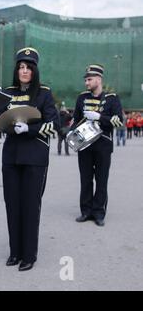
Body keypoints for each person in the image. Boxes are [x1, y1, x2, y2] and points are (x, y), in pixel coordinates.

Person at [0, 47, 59, 271]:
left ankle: (29, 255)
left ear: (34, 70)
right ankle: (15, 252)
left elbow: (54, 125)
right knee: (12, 205)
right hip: (12, 156)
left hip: (34, 156)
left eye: (28, 67)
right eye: (21, 67)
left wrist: (30, 129)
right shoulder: (8, 92)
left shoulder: (43, 93)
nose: (24, 71)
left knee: (30, 206)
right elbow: (3, 121)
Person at [71, 64, 123, 227]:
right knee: (85, 179)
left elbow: (118, 120)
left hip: (103, 145)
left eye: (89, 79)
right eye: (86, 79)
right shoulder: (81, 98)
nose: (86, 82)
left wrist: (99, 116)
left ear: (99, 79)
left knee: (101, 180)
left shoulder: (112, 98)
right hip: (85, 145)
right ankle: (86, 211)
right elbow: (76, 120)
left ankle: (99, 212)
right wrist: (70, 133)